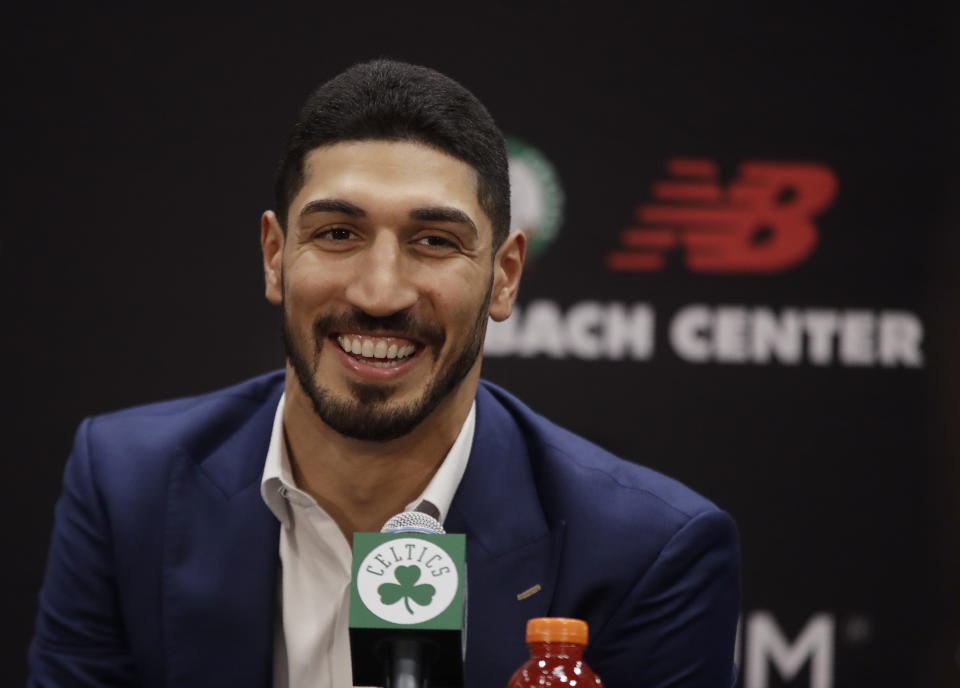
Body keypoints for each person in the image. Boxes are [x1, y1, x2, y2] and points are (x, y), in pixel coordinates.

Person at [29, 60, 740, 688]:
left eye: (434, 242)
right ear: (275, 256)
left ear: (504, 276)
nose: (379, 292)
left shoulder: (648, 553)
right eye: (338, 234)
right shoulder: (126, 486)